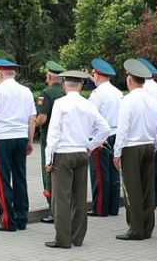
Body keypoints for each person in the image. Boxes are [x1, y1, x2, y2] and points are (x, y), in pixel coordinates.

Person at [44, 70, 110, 249]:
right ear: (81, 86)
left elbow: (54, 133)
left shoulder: (60, 103)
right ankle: (77, 237)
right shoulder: (88, 104)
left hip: (63, 154)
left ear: (65, 85)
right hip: (81, 152)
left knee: (61, 198)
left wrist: (48, 158)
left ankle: (62, 240)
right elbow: (105, 129)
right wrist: (90, 146)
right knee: (80, 197)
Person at [0, 58, 36, 232]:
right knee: (20, 178)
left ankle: (7, 221)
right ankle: (21, 218)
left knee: (2, 179)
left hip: (2, 139)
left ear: (0, 73)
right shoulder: (26, 91)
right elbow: (32, 119)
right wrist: (29, 140)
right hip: (20, 137)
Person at [113, 59, 157, 241]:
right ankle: (147, 227)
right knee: (148, 188)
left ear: (129, 80)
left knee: (133, 190)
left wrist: (117, 152)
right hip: (149, 145)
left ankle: (135, 229)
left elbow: (123, 129)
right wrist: (155, 145)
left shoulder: (128, 100)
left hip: (132, 147)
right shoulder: (152, 100)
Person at [88, 58, 123, 217]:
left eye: (93, 74)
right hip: (116, 134)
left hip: (101, 136)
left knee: (100, 175)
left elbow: (91, 118)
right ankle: (113, 207)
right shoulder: (117, 92)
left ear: (98, 75)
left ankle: (100, 209)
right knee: (114, 173)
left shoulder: (97, 94)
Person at [36, 61, 66, 223]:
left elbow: (42, 119)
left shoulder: (46, 93)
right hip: (65, 139)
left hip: (48, 137)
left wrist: (32, 122)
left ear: (49, 76)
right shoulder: (66, 92)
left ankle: (54, 211)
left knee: (49, 173)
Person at [137, 57, 157, 209]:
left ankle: (152, 199)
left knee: (147, 169)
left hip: (143, 134)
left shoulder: (143, 89)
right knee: (156, 167)